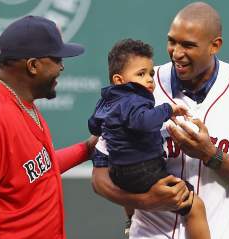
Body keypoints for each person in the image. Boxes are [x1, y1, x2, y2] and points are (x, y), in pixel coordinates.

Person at [91, 2, 229, 239]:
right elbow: (100, 175)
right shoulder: (141, 84)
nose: (176, 52)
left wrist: (211, 155)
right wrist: (144, 201)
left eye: (188, 45)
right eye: (172, 41)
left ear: (215, 45)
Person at [0, 16, 97, 239]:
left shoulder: (21, 103)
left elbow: (32, 172)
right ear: (33, 65)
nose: (62, 66)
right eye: (56, 59)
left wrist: (86, 149)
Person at [88, 39, 210, 239]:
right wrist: (167, 109)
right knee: (196, 207)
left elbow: (94, 124)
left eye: (151, 74)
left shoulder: (107, 101)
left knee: (128, 185)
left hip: (119, 172)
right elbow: (143, 121)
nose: (149, 79)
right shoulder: (134, 98)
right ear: (119, 80)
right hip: (143, 169)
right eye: (141, 74)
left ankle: (130, 221)